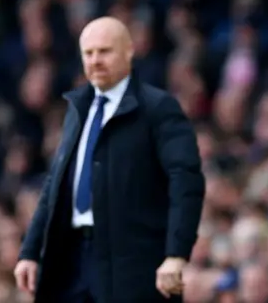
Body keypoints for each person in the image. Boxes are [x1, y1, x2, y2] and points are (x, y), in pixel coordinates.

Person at [13, 17, 206, 303]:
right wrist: (30, 252)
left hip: (133, 262)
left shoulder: (157, 108)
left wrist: (176, 254)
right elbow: (55, 188)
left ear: (128, 51)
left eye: (105, 51)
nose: (95, 60)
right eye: (88, 53)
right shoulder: (77, 110)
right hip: (73, 260)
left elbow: (185, 182)